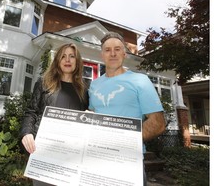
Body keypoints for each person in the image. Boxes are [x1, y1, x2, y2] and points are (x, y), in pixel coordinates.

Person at [88, 31, 166, 186]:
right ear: (102, 54)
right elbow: (93, 115)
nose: (113, 54)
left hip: (128, 160)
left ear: (124, 53)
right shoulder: (94, 84)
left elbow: (158, 123)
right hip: (97, 157)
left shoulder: (140, 80)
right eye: (107, 50)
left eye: (117, 49)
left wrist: (123, 140)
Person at [21, 43, 88, 186]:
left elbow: (85, 119)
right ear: (57, 60)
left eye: (72, 56)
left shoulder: (83, 90)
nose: (67, 60)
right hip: (44, 153)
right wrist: (27, 132)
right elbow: (31, 112)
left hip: (72, 156)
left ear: (78, 61)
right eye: (63, 56)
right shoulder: (44, 83)